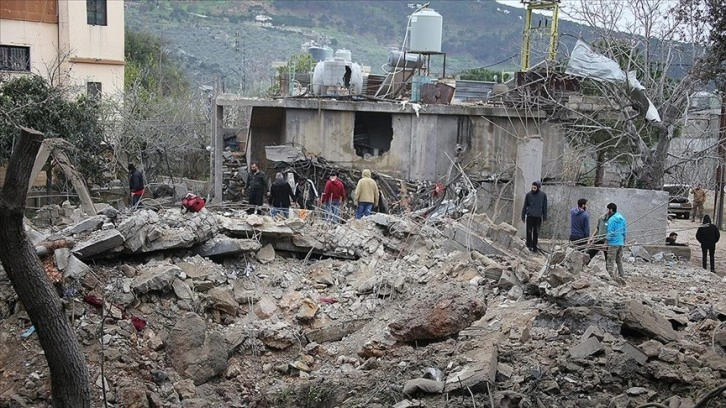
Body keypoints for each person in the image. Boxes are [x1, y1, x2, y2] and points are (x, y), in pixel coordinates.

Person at [521, 181, 548, 253]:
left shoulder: (543, 195)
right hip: (530, 216)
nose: (533, 189)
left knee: (536, 232)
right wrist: (523, 216)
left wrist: (545, 217)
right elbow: (525, 206)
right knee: (529, 231)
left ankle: (534, 246)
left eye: (535, 187)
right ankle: (529, 245)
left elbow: (544, 207)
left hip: (538, 216)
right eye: (532, 187)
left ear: (538, 187)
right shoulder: (528, 195)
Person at [605, 203, 627, 285]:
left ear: (611, 210)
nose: (607, 211)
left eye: (607, 209)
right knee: (619, 260)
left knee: (610, 260)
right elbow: (625, 231)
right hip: (620, 242)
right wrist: (624, 240)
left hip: (613, 243)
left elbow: (610, 232)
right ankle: (622, 276)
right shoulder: (622, 218)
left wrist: (606, 241)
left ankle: (610, 277)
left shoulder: (611, 220)